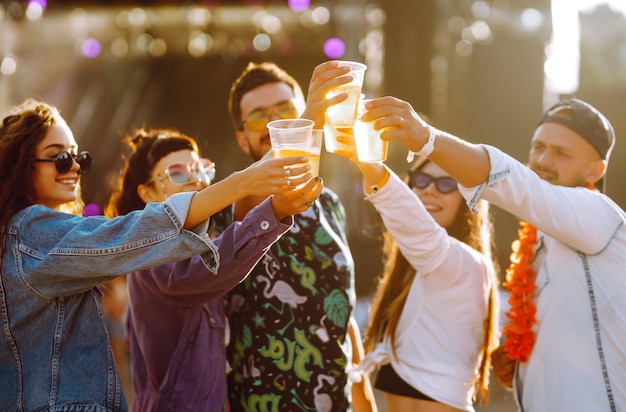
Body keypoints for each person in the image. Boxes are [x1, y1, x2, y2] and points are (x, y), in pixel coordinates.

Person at [0, 98, 320, 411]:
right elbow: (144, 237)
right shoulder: (32, 232)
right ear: (20, 164)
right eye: (58, 158)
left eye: (78, 157)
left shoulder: (30, 236)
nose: (72, 167)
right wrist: (251, 187)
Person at [362, 96, 626, 411]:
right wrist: (522, 370)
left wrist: (426, 138)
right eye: (538, 147)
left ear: (595, 171)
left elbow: (520, 186)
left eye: (560, 153)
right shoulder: (538, 240)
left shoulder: (599, 215)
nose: (542, 160)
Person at [210, 60, 376, 411]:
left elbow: (342, 318)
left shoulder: (329, 203)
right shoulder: (232, 205)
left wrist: (365, 404)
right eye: (259, 116)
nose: (275, 122)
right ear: (242, 139)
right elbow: (262, 185)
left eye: (285, 109)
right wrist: (308, 116)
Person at [334, 139, 499, 411]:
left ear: (469, 199)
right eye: (421, 180)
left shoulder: (467, 265)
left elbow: (413, 223)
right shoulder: (409, 276)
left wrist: (366, 160)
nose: (430, 190)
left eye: (447, 184)